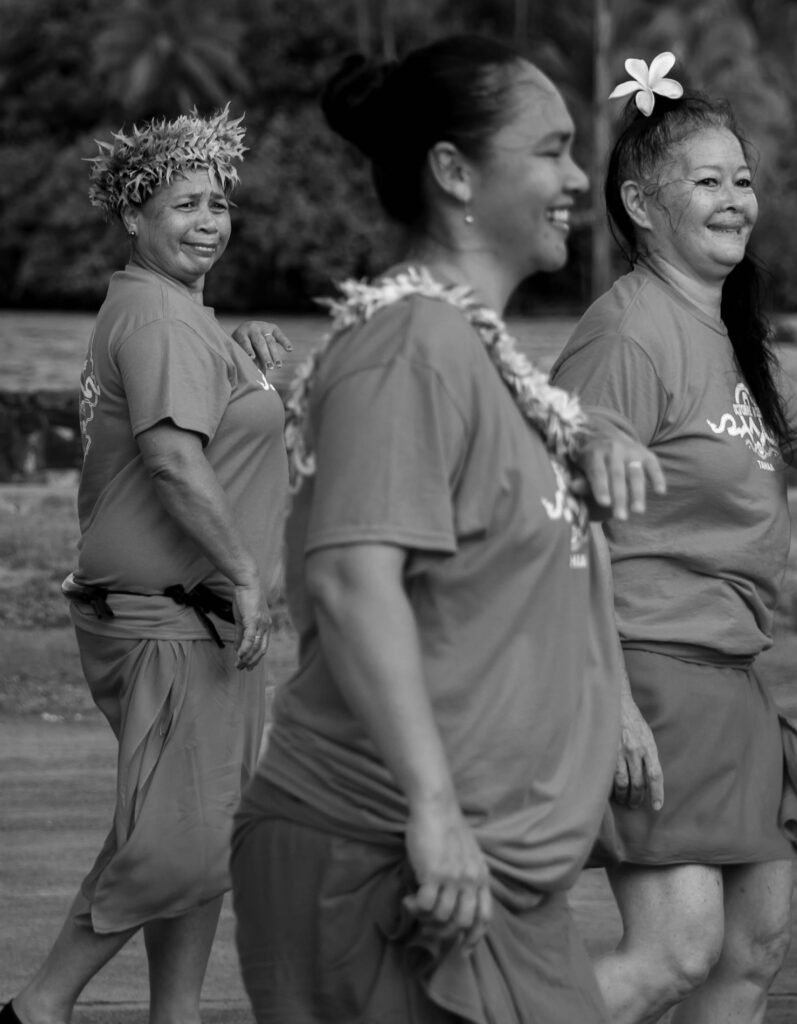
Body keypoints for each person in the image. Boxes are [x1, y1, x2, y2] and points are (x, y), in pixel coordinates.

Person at [229, 36, 627, 1024]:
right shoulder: (407, 344)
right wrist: (434, 810)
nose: (578, 177)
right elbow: (354, 581)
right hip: (390, 856)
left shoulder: (477, 352)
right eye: (550, 149)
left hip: (487, 874)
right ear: (453, 171)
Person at [550, 53, 797, 1024]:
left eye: (742, 179)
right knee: (672, 952)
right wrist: (605, 700)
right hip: (647, 670)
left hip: (733, 679)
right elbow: (557, 526)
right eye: (708, 180)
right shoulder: (624, 337)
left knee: (751, 953)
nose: (736, 199)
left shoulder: (732, 338)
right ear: (642, 205)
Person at [2, 107, 288, 1024]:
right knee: (180, 840)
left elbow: (201, 415)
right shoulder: (163, 319)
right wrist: (245, 573)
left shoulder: (171, 312)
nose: (208, 220)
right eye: (183, 205)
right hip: (174, 615)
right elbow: (171, 459)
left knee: (185, 823)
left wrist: (243, 363)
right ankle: (39, 1007)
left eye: (218, 203)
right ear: (134, 216)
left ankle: (177, 1014)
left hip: (185, 616)